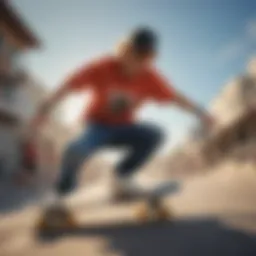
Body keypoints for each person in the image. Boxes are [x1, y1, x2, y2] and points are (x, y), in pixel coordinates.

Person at [32, 27, 213, 208]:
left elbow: (175, 97)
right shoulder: (103, 67)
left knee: (155, 134)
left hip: (124, 129)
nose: (138, 63)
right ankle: (62, 192)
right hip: (97, 127)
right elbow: (69, 85)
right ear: (124, 50)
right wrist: (45, 108)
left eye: (145, 58)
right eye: (134, 54)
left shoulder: (150, 77)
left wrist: (201, 112)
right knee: (75, 149)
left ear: (150, 58)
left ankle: (122, 180)